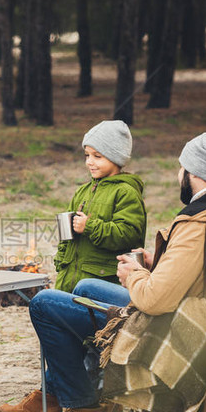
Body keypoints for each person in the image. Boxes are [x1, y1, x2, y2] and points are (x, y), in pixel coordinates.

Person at [0, 132, 206, 412]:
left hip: (174, 329)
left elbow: (154, 300)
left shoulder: (198, 224)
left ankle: (85, 411)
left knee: (44, 303)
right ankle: (59, 396)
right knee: (84, 286)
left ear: (195, 173)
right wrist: (158, 261)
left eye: (183, 168)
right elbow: (202, 269)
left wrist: (135, 274)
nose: (179, 174)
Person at [53, 120, 147, 293]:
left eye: (97, 156)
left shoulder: (126, 192)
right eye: (87, 155)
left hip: (102, 282)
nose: (89, 162)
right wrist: (61, 261)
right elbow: (65, 237)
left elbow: (129, 235)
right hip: (69, 278)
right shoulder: (83, 191)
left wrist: (89, 226)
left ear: (115, 158)